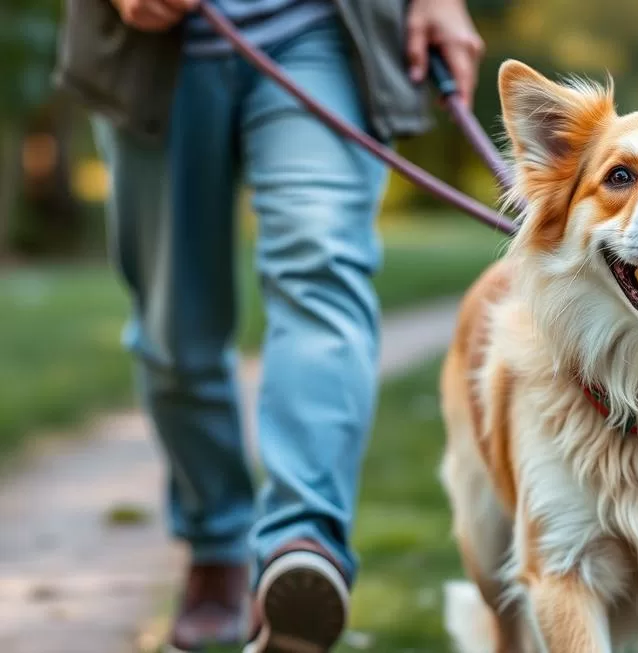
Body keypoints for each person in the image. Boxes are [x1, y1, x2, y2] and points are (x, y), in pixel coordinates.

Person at [53, 0, 484, 650]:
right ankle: (218, 542)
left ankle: (301, 544)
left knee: (323, 267)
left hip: (325, 30)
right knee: (176, 335)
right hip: (155, 45)